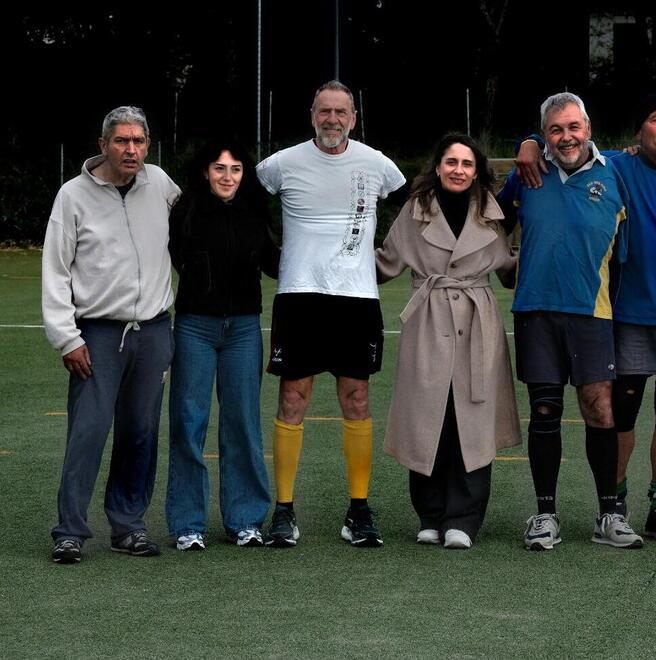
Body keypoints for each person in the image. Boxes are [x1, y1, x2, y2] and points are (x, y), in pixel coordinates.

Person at [515, 94, 656, 542]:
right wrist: (530, 142)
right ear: (637, 132)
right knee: (602, 412)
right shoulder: (607, 166)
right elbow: (553, 150)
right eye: (655, 119)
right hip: (619, 312)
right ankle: (607, 506)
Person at [256, 80, 406, 547]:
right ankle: (284, 511)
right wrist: (269, 256)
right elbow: (241, 198)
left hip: (357, 300)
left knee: (357, 400)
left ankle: (358, 510)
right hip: (299, 297)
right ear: (312, 114)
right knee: (293, 399)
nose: (332, 120)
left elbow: (413, 206)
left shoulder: (377, 163)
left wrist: (387, 259)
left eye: (341, 112)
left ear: (354, 119)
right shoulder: (281, 164)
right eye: (325, 111)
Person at [497, 92, 643, 550]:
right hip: (536, 310)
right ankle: (545, 515)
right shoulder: (526, 172)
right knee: (545, 412)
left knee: (601, 410)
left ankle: (609, 514)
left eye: (573, 127)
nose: (566, 137)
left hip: (591, 312)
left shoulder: (618, 171)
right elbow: (490, 223)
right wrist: (505, 265)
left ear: (589, 127)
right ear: (544, 135)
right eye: (555, 129)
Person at [42, 106, 179, 563]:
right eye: (121, 141)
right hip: (97, 334)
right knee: (88, 431)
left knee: (140, 432)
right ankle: (70, 531)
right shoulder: (73, 196)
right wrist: (67, 337)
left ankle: (128, 526)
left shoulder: (159, 184)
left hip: (154, 330)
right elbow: (56, 270)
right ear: (103, 145)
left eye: (139, 142)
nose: (131, 150)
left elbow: (196, 220)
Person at [375, 134, 521, 549]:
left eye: (467, 163)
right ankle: (430, 514)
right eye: (451, 162)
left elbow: (509, 268)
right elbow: (385, 262)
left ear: (477, 171)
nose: (458, 170)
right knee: (428, 417)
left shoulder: (493, 214)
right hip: (429, 320)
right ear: (437, 166)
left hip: (478, 324)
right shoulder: (414, 212)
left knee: (471, 420)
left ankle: (464, 517)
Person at [165, 139, 280, 551]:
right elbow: (172, 258)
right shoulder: (185, 213)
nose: (227, 177)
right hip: (195, 326)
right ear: (205, 172)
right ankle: (187, 523)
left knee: (243, 425)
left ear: (243, 175)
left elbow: (274, 263)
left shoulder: (254, 214)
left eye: (234, 169)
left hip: (244, 330)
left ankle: (245, 520)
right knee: (188, 423)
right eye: (219, 168)